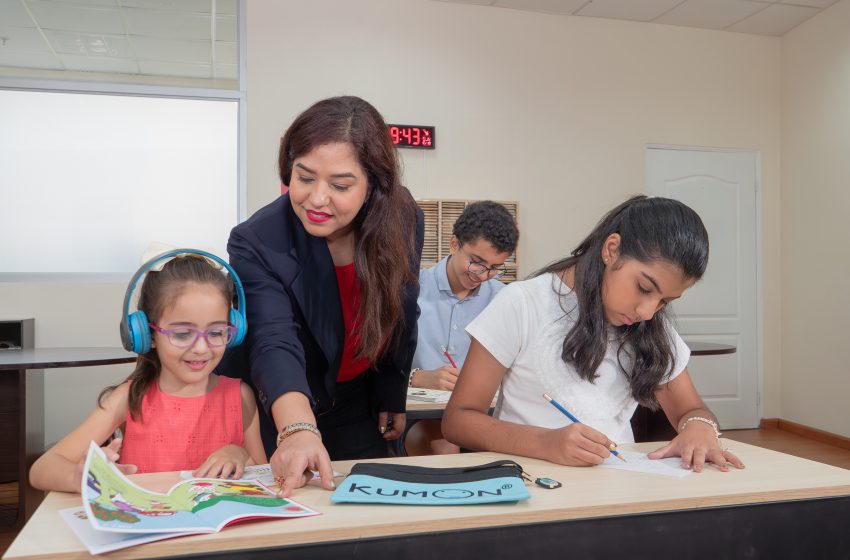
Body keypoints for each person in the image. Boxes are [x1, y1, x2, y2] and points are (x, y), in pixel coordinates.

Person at [442, 195, 745, 473]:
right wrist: (546, 443)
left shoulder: (651, 327)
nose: (648, 312)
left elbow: (691, 409)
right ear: (611, 250)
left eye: (664, 301)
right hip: (532, 484)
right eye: (644, 288)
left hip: (618, 488)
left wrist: (699, 427)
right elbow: (458, 420)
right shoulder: (523, 303)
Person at [216, 95, 424, 497]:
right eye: (304, 177)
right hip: (282, 403)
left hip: (354, 401)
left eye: (340, 185)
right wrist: (296, 429)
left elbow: (402, 308)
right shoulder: (258, 240)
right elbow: (272, 338)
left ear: (375, 185)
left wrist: (390, 394)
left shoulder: (402, 217)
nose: (316, 198)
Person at [29, 249, 266, 493]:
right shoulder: (129, 397)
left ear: (233, 330)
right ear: (146, 334)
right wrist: (80, 476)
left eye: (216, 332)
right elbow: (42, 469)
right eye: (182, 333)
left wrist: (238, 452)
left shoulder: (239, 396)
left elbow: (263, 474)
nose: (201, 348)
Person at [405, 200, 519, 456]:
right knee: (443, 447)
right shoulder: (411, 290)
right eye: (477, 262)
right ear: (454, 243)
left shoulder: (505, 300)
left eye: (494, 268)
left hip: (486, 415)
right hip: (422, 415)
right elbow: (376, 368)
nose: (482, 274)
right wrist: (418, 377)